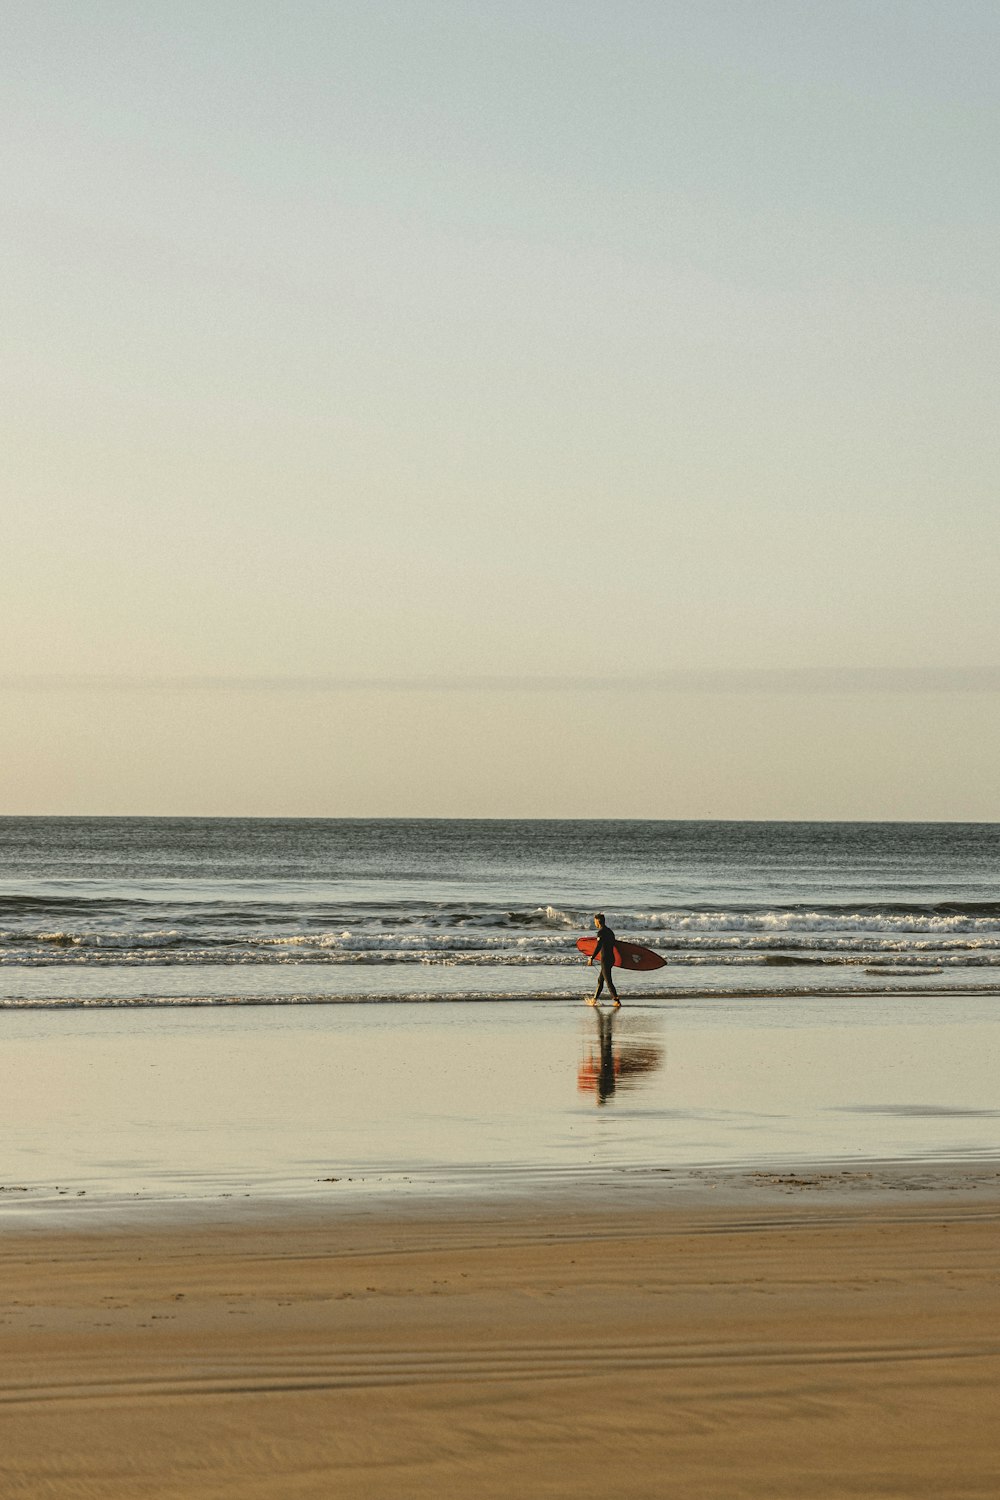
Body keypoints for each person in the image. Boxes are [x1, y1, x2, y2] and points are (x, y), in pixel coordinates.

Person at [587, 911, 620, 1006]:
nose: (594, 923)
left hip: (605, 959)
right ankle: (594, 1000)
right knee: (600, 980)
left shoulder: (601, 932)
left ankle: (617, 1001)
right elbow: (614, 944)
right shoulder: (610, 931)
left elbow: (599, 946)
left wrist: (592, 958)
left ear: (598, 921)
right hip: (611, 958)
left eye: (595, 921)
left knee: (608, 981)